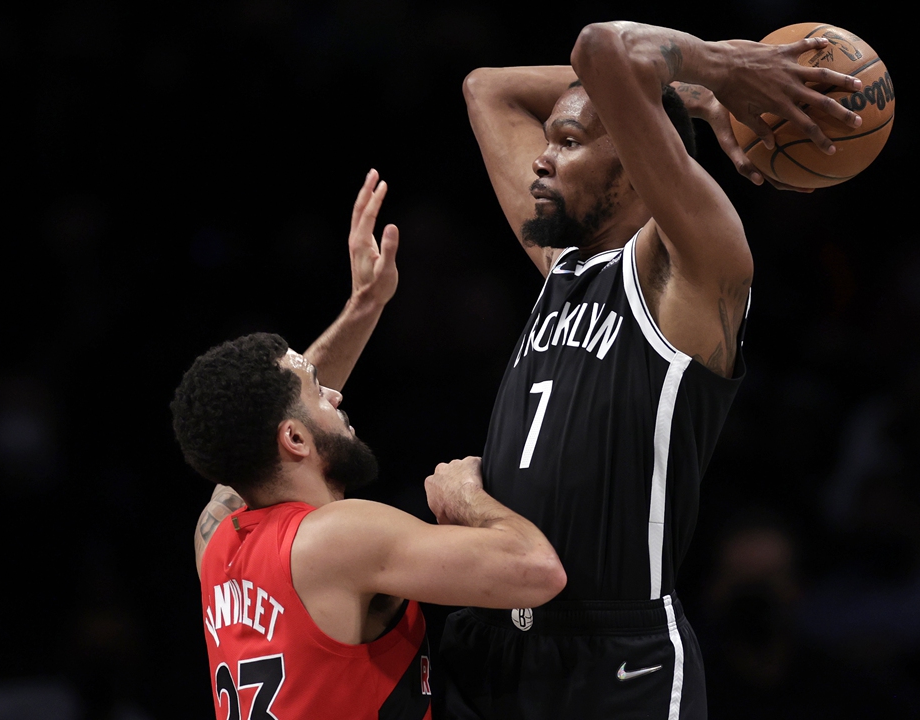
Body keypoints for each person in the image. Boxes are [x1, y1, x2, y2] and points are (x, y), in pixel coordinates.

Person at [443, 21, 866, 719]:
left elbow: (602, 49)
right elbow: (486, 88)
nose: (542, 160)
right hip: (493, 642)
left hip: (615, 656)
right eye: (549, 140)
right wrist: (688, 93)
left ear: (640, 160)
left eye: (570, 142)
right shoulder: (565, 265)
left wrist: (722, 69)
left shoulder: (691, 273)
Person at [170, 171, 566, 720]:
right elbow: (537, 572)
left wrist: (365, 305)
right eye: (317, 394)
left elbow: (254, 424)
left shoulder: (215, 537)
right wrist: (463, 494)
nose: (334, 393)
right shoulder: (337, 536)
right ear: (293, 439)